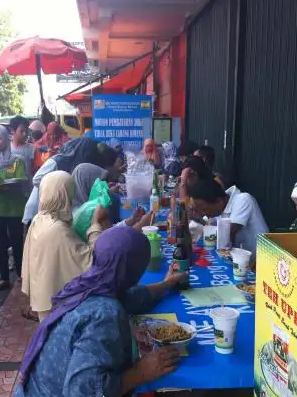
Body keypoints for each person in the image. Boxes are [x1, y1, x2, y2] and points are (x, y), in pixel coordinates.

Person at [15, 226, 186, 396]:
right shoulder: (106, 314)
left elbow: (130, 297)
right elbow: (82, 391)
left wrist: (165, 284)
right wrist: (140, 372)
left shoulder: (89, 284)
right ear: (133, 271)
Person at [21, 171, 108, 322]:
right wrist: (95, 224)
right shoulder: (57, 229)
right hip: (58, 306)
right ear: (63, 196)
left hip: (45, 295)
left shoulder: (39, 218)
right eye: (70, 193)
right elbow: (90, 261)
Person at [22, 137, 119, 227]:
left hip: (52, 214)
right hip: (37, 210)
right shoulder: (59, 161)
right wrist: (61, 184)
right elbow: (36, 179)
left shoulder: (79, 168)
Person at [0, 125, 28, 291]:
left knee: (17, 243)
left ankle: (21, 276)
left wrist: (7, 185)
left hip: (15, 208)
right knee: (0, 244)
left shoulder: (18, 160)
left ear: (5, 138)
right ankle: (4, 278)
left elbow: (23, 181)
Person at [188, 178, 269, 257]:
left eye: (204, 209)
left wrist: (200, 227)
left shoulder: (243, 199)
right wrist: (197, 218)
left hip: (261, 261)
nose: (203, 213)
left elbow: (228, 231)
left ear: (219, 201)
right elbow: (208, 226)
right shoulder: (219, 208)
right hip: (240, 261)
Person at [71, 163, 151, 229]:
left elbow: (110, 229)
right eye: (99, 185)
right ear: (87, 185)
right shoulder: (83, 216)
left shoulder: (85, 208)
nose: (104, 188)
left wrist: (131, 221)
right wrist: (140, 226)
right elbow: (110, 240)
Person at [10, 116, 38, 181]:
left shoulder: (31, 149)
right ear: (13, 131)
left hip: (27, 187)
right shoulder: (7, 149)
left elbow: (35, 170)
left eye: (26, 131)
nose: (25, 134)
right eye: (21, 131)